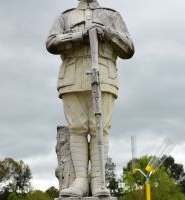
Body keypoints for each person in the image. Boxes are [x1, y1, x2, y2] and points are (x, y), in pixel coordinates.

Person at [46, 0, 134, 197]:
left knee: (100, 129)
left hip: (104, 75)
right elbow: (51, 43)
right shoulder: (65, 17)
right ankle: (80, 181)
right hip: (72, 76)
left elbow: (128, 48)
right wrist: (79, 36)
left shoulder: (112, 15)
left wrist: (109, 34)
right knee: (76, 129)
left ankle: (98, 180)